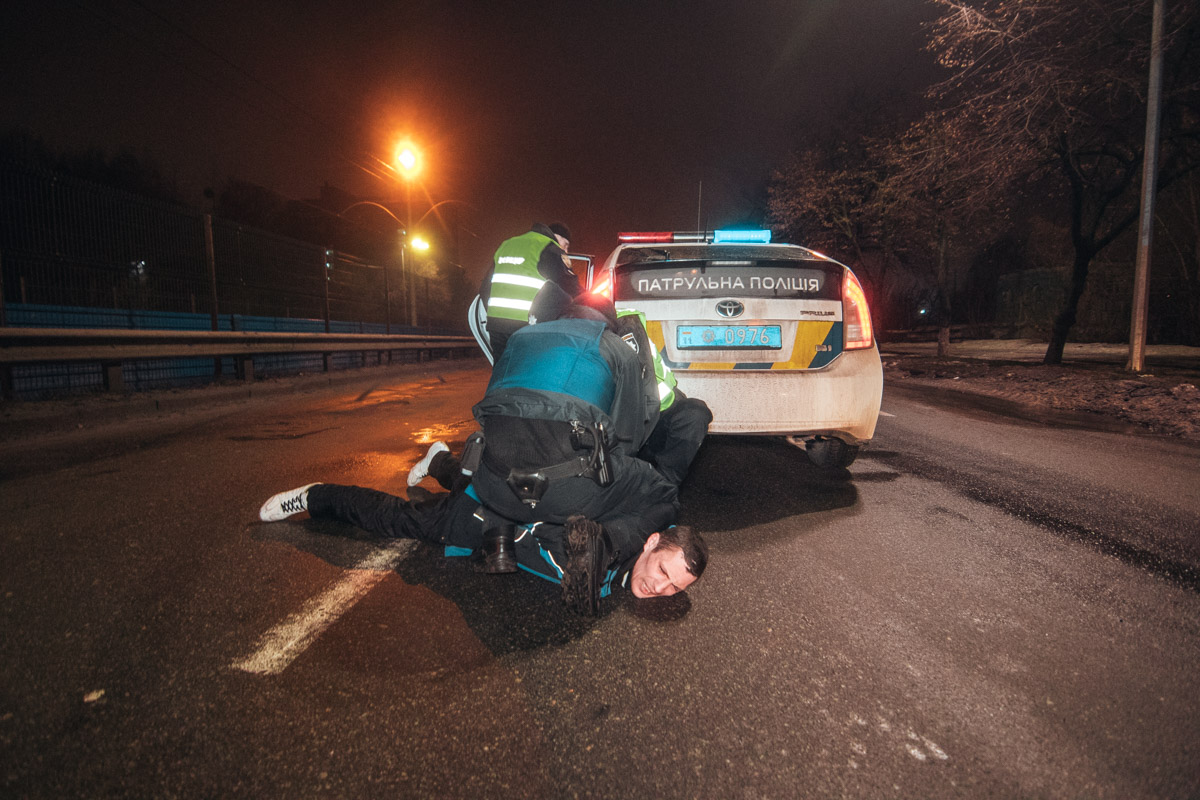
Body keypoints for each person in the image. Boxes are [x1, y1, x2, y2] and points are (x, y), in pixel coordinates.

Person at [257, 456, 708, 614]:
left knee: (464, 479)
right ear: (652, 542)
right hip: (484, 518)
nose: (660, 587)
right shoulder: (603, 548)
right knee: (396, 518)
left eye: (674, 588)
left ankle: (440, 460)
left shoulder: (621, 570)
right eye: (663, 571)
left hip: (496, 502)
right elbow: (543, 531)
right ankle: (314, 495)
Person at [480, 222, 581, 361]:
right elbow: (573, 289)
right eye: (566, 244)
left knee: (502, 371)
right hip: (526, 328)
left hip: (496, 327)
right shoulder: (550, 248)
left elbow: (485, 289)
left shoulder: (506, 245)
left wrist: (495, 316)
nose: (566, 250)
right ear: (557, 237)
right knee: (528, 372)